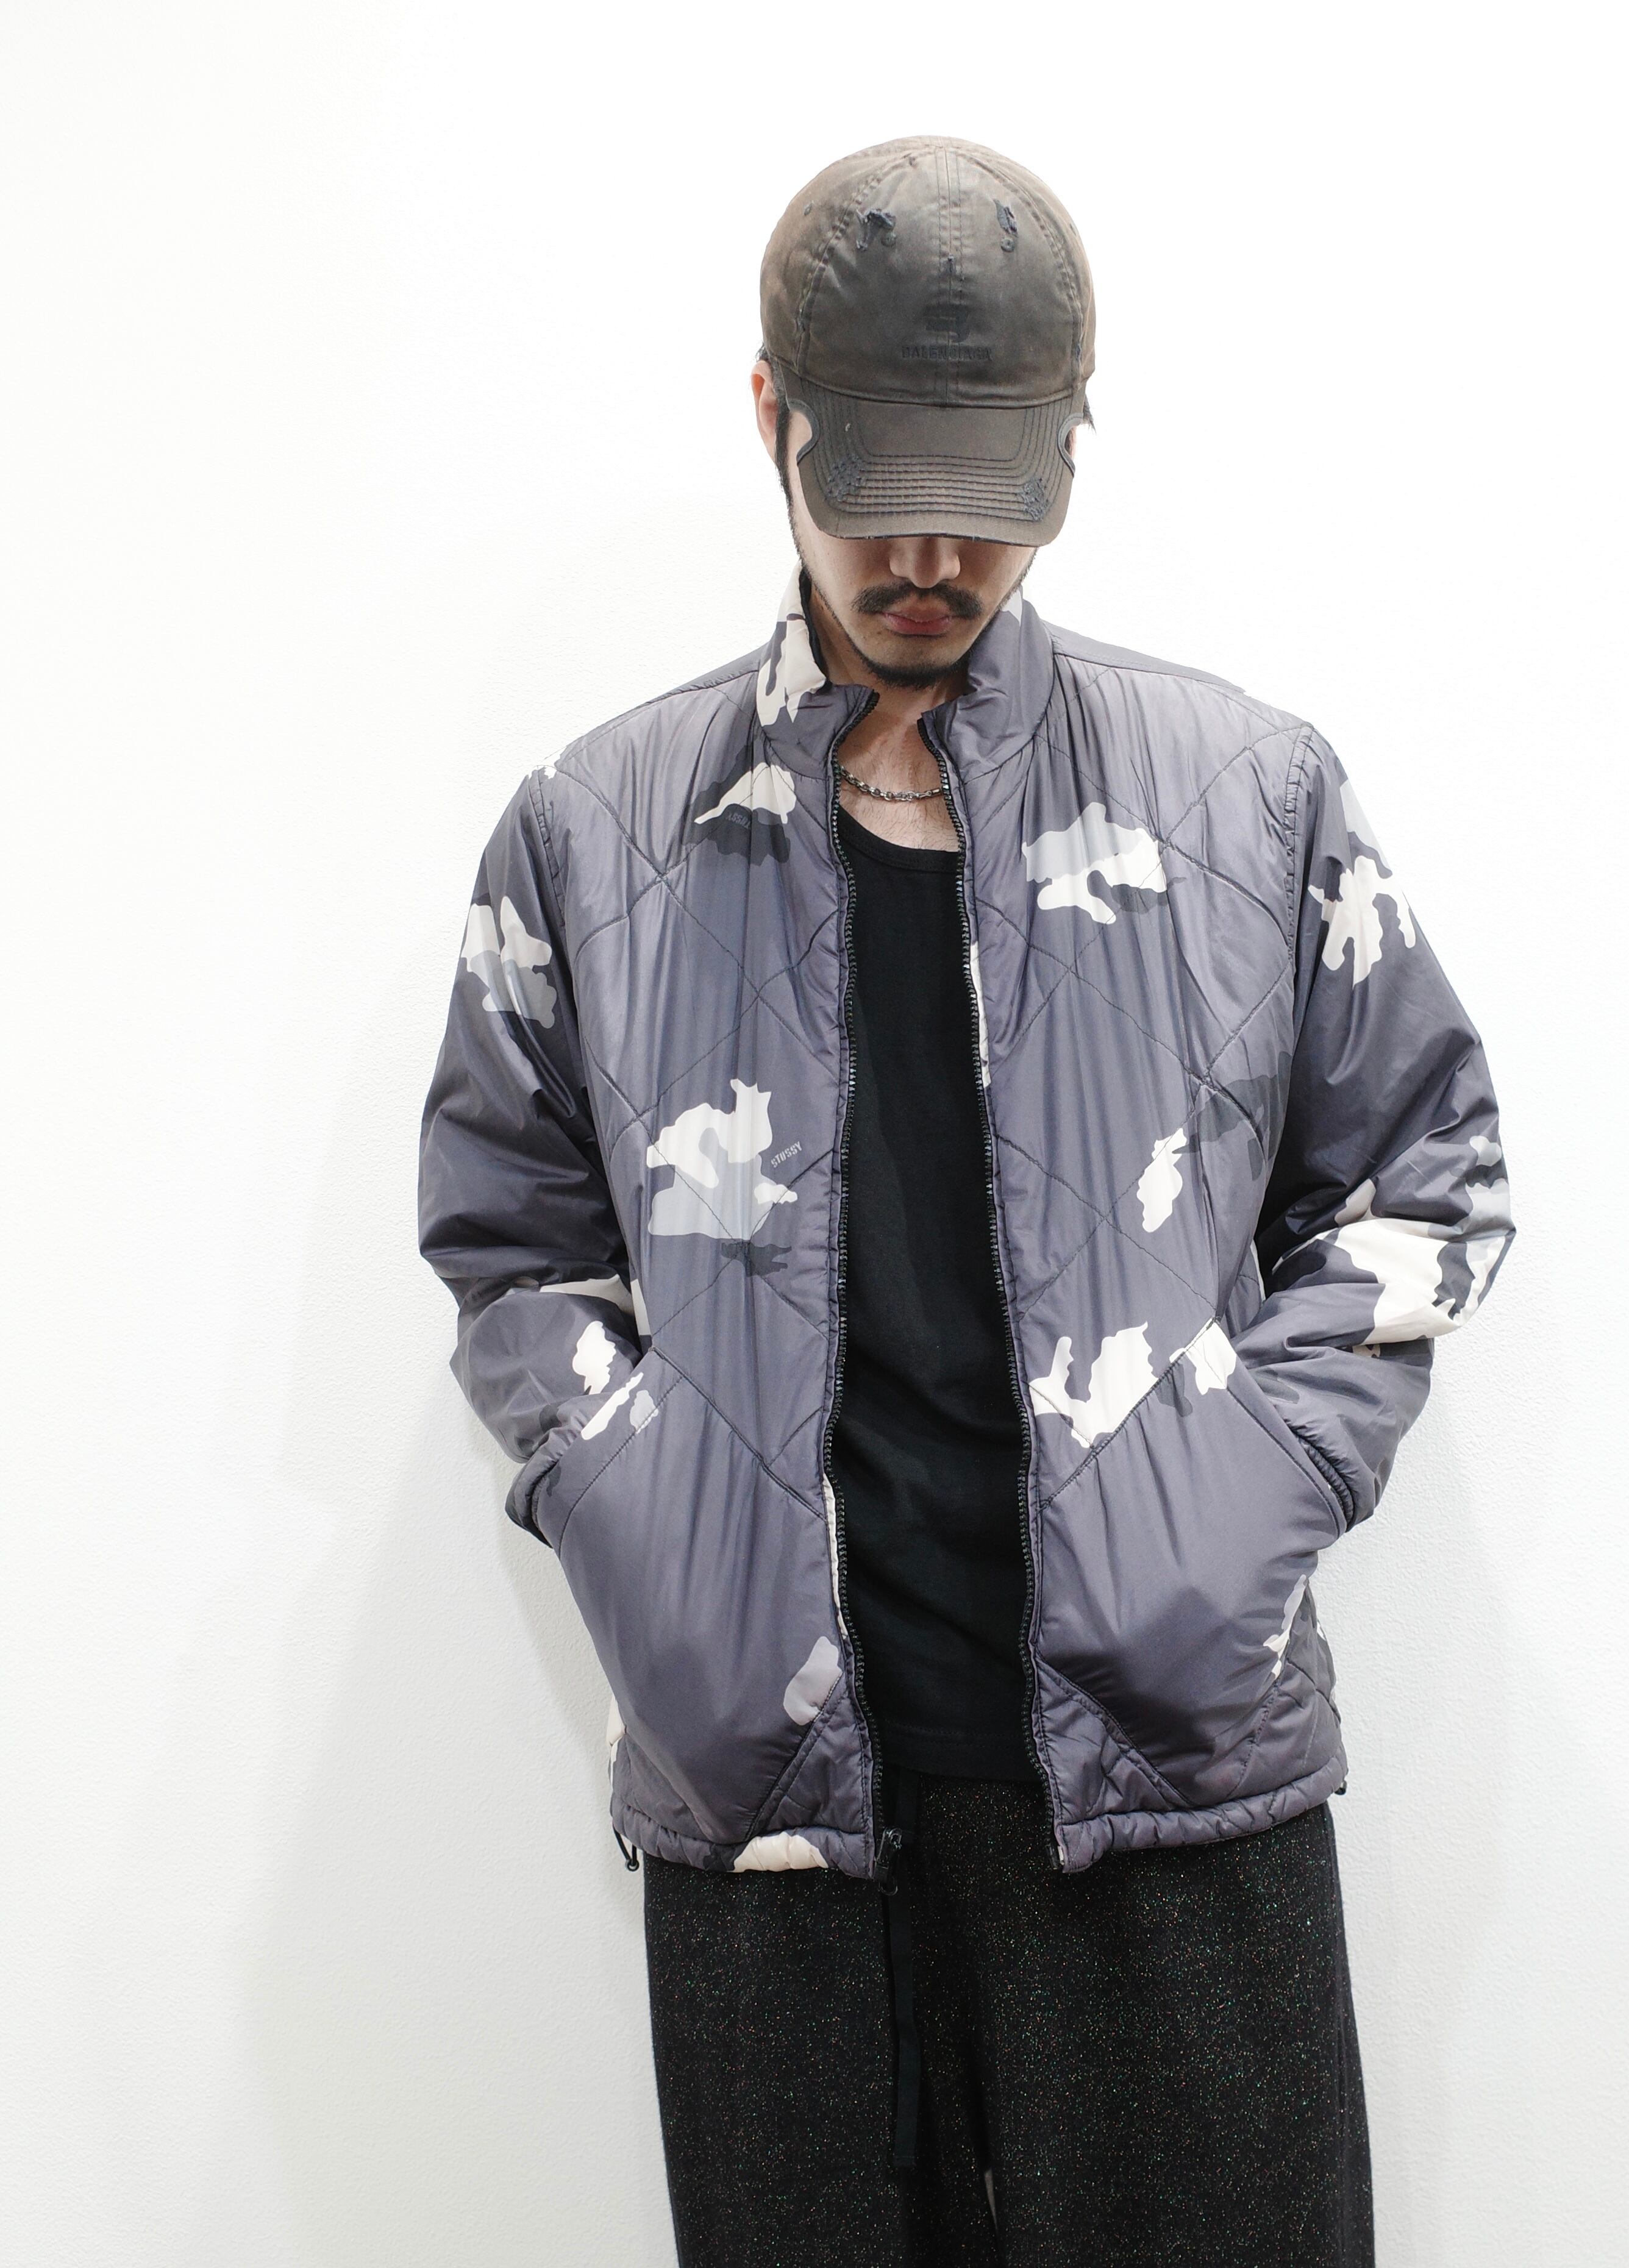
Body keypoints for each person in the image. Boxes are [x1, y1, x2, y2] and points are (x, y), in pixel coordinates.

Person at [418, 135, 1513, 2267]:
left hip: (1173, 1778)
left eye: (988, 497)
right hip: (779, 1817)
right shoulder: (596, 832)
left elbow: (1422, 1172)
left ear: (1070, 446)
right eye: (873, 489)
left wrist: (1241, 1494)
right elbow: (510, 1233)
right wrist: (637, 1512)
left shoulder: (1245, 795)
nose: (929, 555)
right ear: (771, 418)